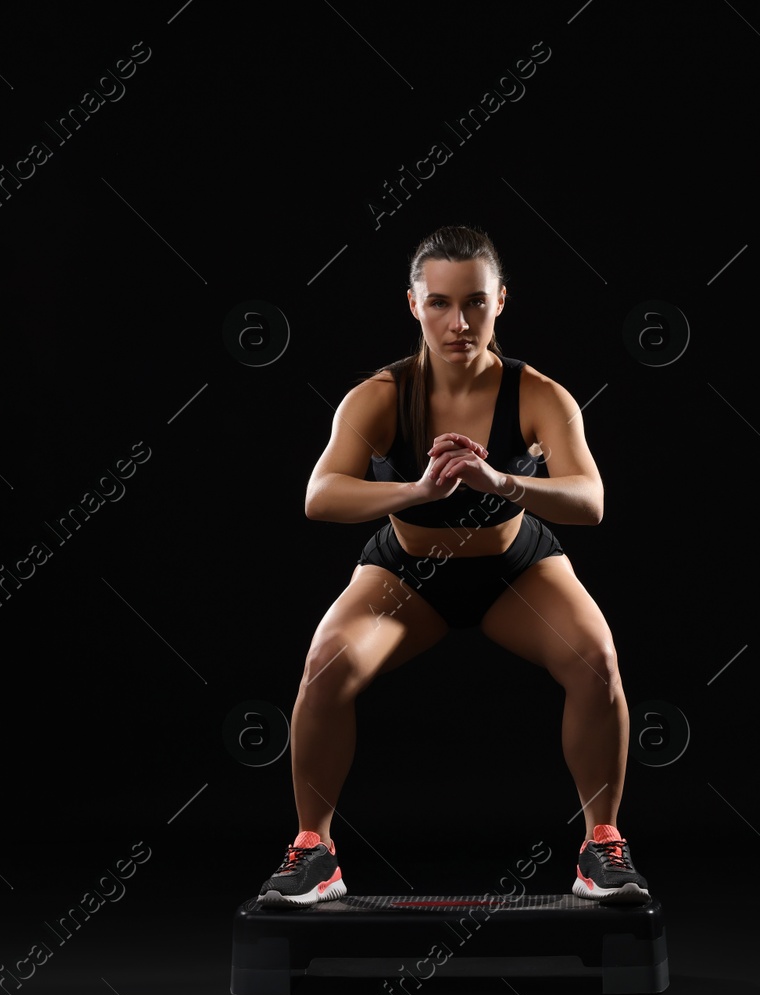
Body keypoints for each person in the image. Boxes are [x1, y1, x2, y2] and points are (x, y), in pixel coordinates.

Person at [256, 225, 650, 907]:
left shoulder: (539, 395)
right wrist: (418, 491)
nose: (458, 322)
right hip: (407, 575)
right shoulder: (380, 396)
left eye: (474, 303)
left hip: (515, 570)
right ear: (414, 305)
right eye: (439, 303)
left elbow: (590, 500)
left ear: (501, 300)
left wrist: (502, 482)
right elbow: (319, 496)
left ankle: (601, 846)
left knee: (597, 661)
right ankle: (314, 851)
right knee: (324, 666)